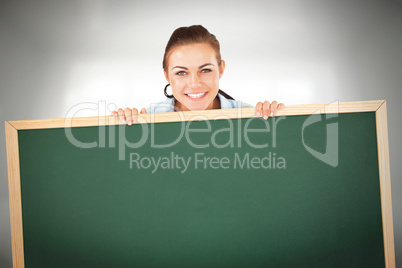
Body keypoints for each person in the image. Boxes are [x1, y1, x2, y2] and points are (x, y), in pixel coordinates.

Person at [112, 25, 285, 125]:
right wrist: (123, 127)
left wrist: (279, 121)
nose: (194, 83)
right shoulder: (146, 119)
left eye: (205, 70)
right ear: (167, 76)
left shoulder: (250, 116)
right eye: (181, 72)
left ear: (221, 69)